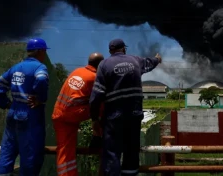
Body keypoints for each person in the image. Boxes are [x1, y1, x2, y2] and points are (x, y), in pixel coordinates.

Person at [89, 39, 162, 176]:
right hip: (134, 115)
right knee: (131, 151)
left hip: (114, 116)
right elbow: (150, 62)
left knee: (112, 152)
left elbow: (96, 95)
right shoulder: (135, 60)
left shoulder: (104, 65)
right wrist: (158, 59)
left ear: (110, 51)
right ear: (124, 49)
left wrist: (94, 119)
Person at [0, 38, 50, 176]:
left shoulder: (16, 67)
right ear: (41, 51)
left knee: (7, 151)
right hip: (30, 114)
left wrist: (6, 103)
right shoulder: (39, 67)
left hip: (13, 112)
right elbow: (42, 79)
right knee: (31, 155)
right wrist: (40, 98)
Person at [52, 52, 104, 176]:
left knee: (65, 150)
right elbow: (98, 102)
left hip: (59, 114)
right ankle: (98, 136)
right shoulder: (94, 77)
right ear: (101, 65)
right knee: (103, 104)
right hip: (72, 114)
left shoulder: (77, 71)